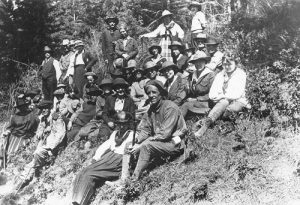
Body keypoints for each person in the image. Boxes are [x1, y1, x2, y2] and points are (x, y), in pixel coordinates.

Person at [127, 80, 187, 181]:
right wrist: (137, 141)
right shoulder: (151, 110)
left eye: (154, 92)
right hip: (160, 143)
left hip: (174, 144)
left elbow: (164, 134)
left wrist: (142, 144)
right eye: (149, 93)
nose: (151, 95)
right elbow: (146, 130)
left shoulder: (170, 107)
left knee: (146, 146)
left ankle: (133, 180)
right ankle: (124, 177)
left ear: (160, 93)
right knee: (128, 145)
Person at [71, 111, 134, 205]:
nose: (121, 126)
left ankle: (81, 202)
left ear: (128, 124)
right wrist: (95, 158)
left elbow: (130, 152)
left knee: (89, 174)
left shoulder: (132, 135)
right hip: (108, 158)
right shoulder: (115, 133)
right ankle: (75, 200)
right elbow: (105, 146)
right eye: (119, 124)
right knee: (82, 172)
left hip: (117, 161)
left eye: (124, 124)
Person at [194, 51, 250, 137]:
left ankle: (208, 121)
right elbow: (212, 94)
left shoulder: (240, 74)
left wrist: (222, 96)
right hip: (221, 102)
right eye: (224, 64)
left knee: (227, 108)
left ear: (235, 63)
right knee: (224, 102)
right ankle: (206, 125)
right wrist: (221, 98)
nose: (227, 67)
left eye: (230, 64)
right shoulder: (220, 75)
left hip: (238, 101)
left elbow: (237, 94)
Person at [15, 99, 66, 190]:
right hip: (44, 143)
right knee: (35, 155)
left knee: (37, 153)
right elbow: (40, 129)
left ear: (50, 108)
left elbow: (60, 134)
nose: (44, 110)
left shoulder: (56, 117)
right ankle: (23, 180)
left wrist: (51, 147)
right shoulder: (43, 118)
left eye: (46, 108)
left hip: (54, 145)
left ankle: (26, 178)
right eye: (42, 109)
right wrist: (40, 133)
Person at [75, 79, 113, 144]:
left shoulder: (114, 97)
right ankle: (76, 144)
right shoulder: (100, 98)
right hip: (99, 119)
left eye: (108, 86)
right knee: (82, 132)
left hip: (109, 120)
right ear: (102, 88)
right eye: (104, 86)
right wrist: (104, 113)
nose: (106, 88)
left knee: (93, 135)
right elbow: (98, 112)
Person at [97, 78, 136, 143]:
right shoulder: (110, 98)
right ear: (115, 89)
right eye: (117, 88)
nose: (120, 90)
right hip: (110, 123)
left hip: (123, 124)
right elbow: (104, 113)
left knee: (120, 141)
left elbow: (132, 116)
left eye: (122, 88)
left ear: (125, 88)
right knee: (103, 137)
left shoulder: (129, 100)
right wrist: (108, 122)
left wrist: (129, 127)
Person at [180, 52, 215, 118]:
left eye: (201, 61)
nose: (198, 64)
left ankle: (178, 125)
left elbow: (212, 95)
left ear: (205, 62)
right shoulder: (192, 75)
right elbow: (188, 90)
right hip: (194, 102)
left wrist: (196, 99)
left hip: (206, 102)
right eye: (196, 62)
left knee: (186, 105)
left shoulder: (210, 75)